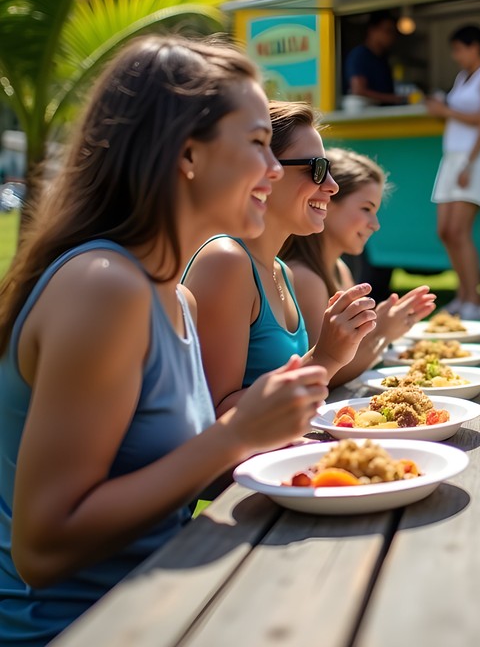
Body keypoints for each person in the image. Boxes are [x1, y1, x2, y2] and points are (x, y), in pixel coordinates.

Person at [0, 36, 333, 645]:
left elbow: (176, 484)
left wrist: (263, 434)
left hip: (163, 602)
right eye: (258, 143)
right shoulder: (104, 288)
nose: (274, 170)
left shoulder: (173, 296)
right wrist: (234, 435)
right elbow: (42, 549)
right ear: (186, 153)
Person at [183, 101, 377, 415]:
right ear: (265, 169)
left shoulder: (280, 271)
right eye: (317, 168)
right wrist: (324, 358)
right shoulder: (227, 261)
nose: (332, 185)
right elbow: (215, 413)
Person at [281, 147, 437, 385]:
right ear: (327, 201)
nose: (375, 225)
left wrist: (384, 325)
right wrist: (382, 333)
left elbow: (345, 353)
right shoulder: (305, 278)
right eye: (366, 209)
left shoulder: (340, 268)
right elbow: (327, 374)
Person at [425, 25, 480, 320]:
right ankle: (463, 295)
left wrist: (446, 112)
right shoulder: (463, 77)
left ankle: (476, 300)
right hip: (452, 158)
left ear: (475, 47)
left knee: (460, 231)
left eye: (459, 48)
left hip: (476, 158)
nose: (455, 55)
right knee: (445, 231)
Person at [343, 11, 407, 106]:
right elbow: (358, 90)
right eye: (387, 31)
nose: (391, 37)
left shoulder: (383, 59)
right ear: (372, 30)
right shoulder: (360, 55)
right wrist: (394, 99)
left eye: (393, 32)